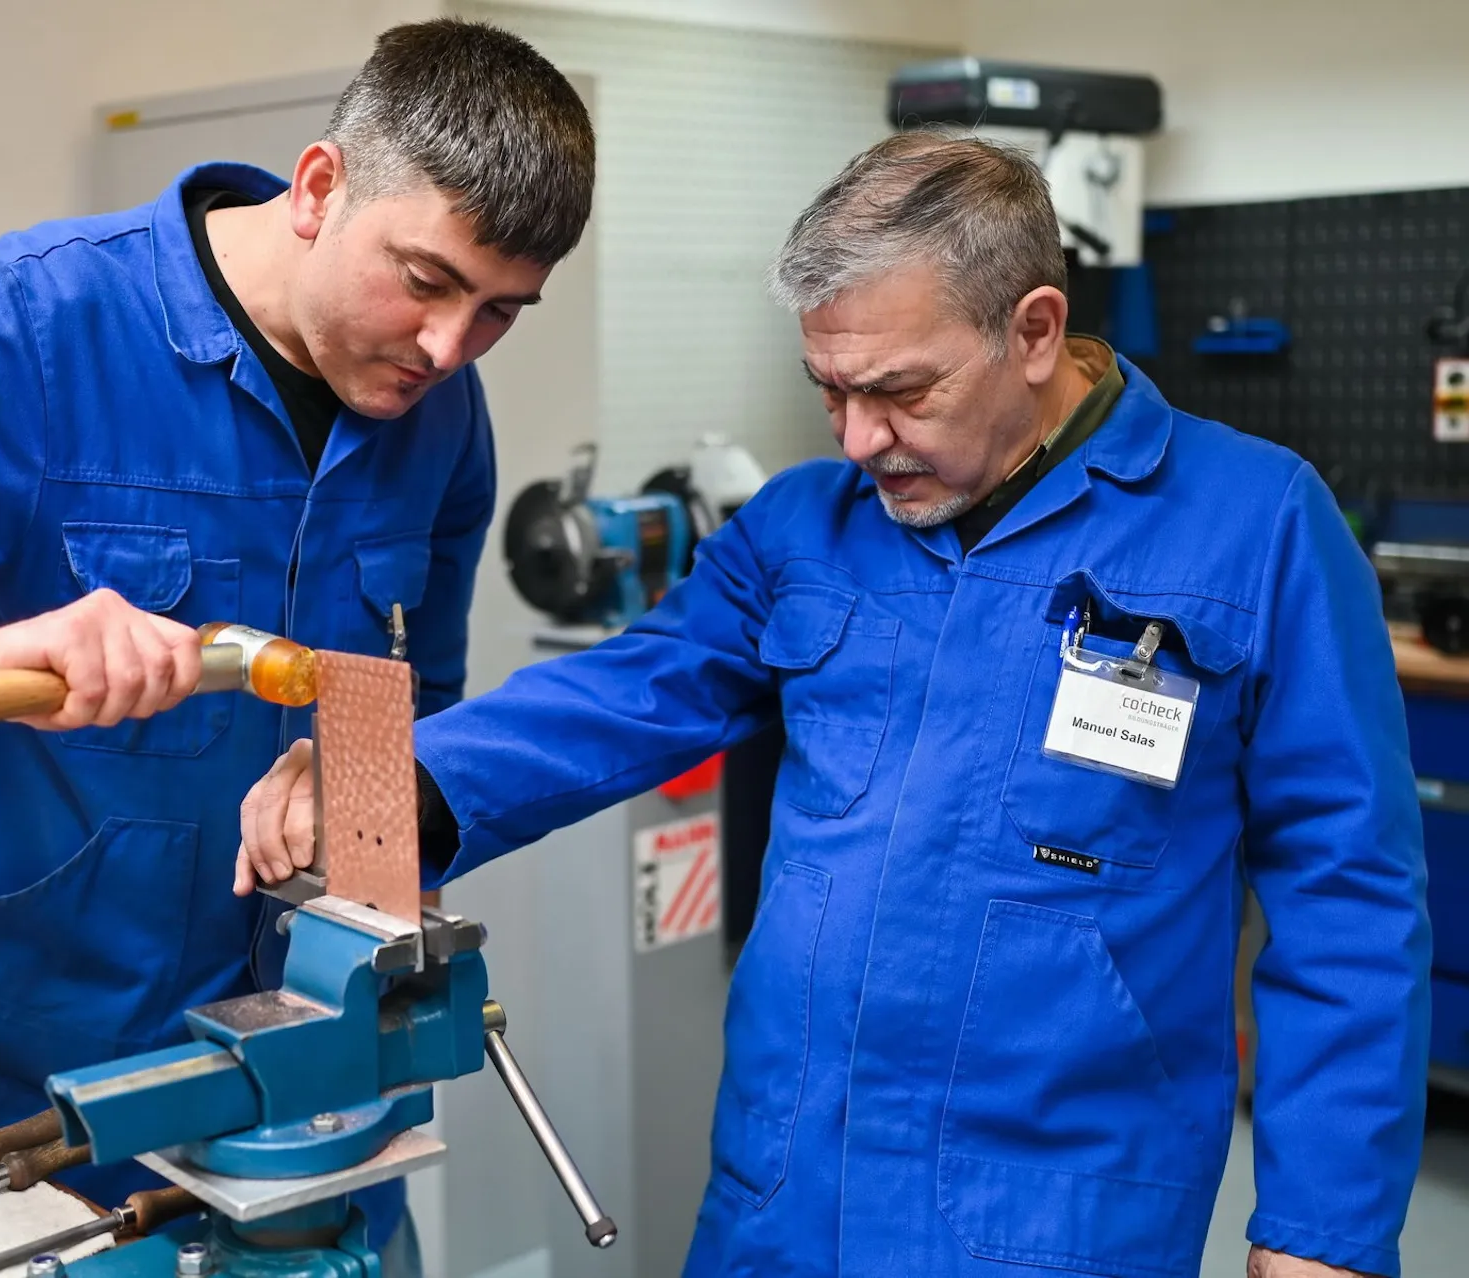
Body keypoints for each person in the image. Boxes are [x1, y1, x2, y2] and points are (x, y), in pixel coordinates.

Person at [238, 132, 1429, 1278]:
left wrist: (1324, 1227)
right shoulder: (808, 531)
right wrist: (405, 781)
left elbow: (1351, 895)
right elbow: (631, 688)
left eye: (900, 392)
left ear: (1035, 330)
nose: (861, 440)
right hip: (784, 1193)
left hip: (1056, 1214)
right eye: (829, 391)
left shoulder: (1257, 525)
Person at [0, 18, 593, 1268]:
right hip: (22, 1098)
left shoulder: (442, 419)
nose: (448, 349)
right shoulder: (36, 323)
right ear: (318, 188)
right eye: (422, 281)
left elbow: (417, 697)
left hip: (312, 1112)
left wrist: (366, 794)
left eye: (499, 313)